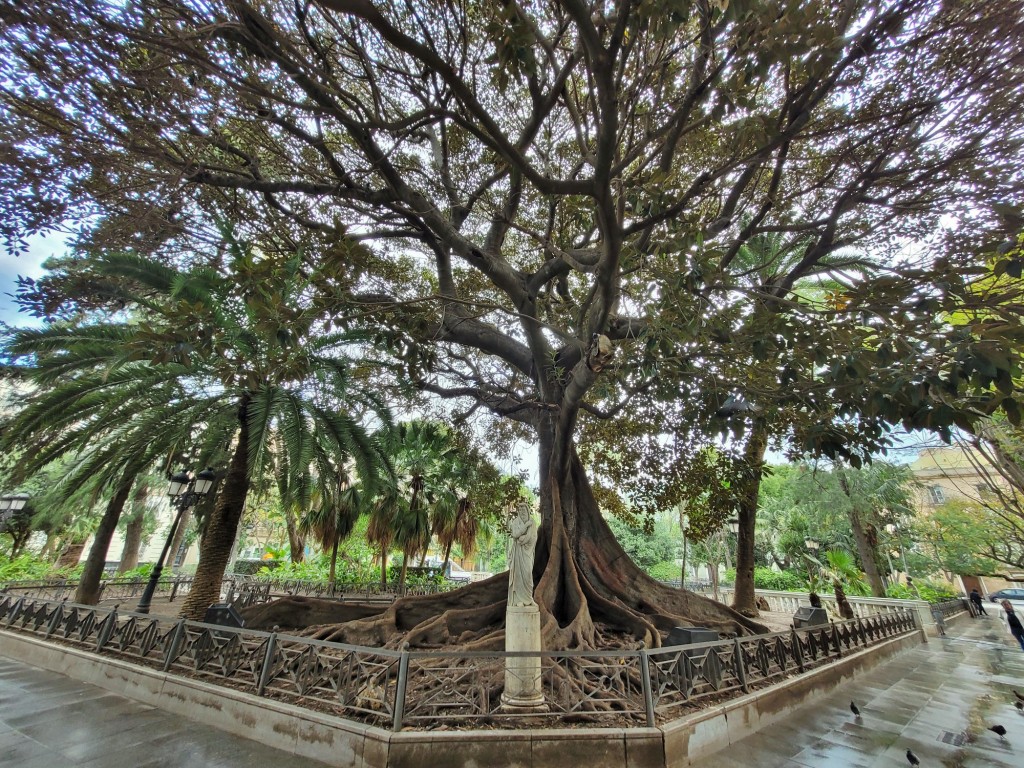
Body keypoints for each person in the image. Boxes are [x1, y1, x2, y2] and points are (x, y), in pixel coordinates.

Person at [507, 501, 538, 607]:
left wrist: (524, 539)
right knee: (518, 576)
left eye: (523, 509)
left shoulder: (532, 522)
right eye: (520, 510)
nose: (522, 512)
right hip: (518, 553)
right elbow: (515, 534)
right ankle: (518, 600)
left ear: (527, 510)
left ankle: (529, 599)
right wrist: (525, 527)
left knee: (528, 574)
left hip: (528, 552)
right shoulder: (516, 522)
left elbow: (534, 537)